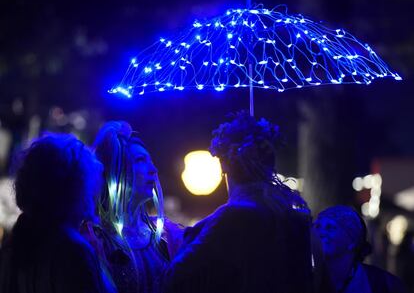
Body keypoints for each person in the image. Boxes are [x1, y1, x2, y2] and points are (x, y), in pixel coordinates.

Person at [164, 112, 314, 293]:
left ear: (224, 165)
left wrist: (189, 236)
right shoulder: (295, 217)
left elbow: (177, 277)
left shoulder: (231, 217)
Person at [0, 133, 115, 293]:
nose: (96, 192)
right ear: (75, 188)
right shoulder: (73, 251)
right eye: (92, 182)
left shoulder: (12, 246)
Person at [82, 121, 181, 293]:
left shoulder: (167, 235)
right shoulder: (92, 239)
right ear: (116, 170)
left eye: (151, 161)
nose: (154, 170)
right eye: (141, 160)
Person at [313, 205, 407, 293]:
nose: (320, 232)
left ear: (352, 241)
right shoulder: (304, 279)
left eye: (330, 227)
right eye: (318, 226)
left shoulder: (385, 285)